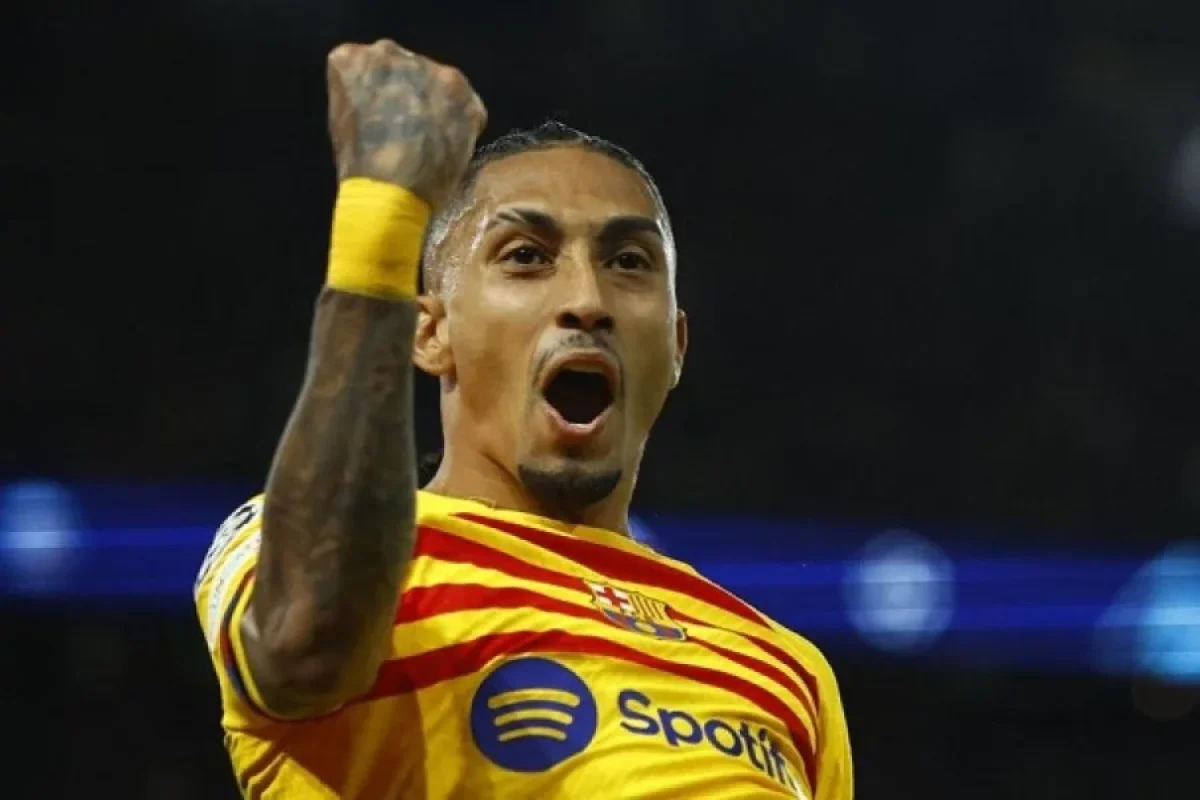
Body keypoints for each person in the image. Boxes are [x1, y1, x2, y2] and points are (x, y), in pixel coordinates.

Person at [193, 39, 853, 799]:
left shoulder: (788, 671)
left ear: (676, 346)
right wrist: (383, 214)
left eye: (630, 262)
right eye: (526, 256)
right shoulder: (312, 546)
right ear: (429, 332)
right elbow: (302, 642)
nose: (588, 301)